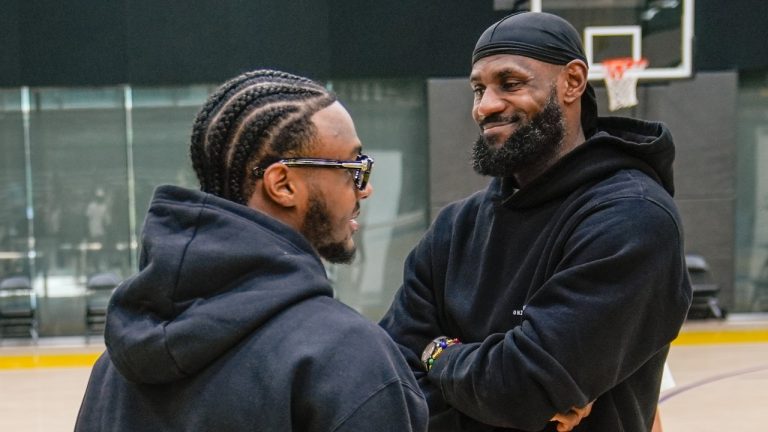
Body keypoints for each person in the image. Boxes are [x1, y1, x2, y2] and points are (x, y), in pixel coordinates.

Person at [379, 12, 692, 431]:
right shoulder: (454, 228)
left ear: (573, 82)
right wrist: (494, 385)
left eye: (510, 83)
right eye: (478, 89)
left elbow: (520, 386)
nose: (485, 106)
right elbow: (390, 376)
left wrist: (437, 353)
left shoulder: (633, 218)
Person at [75, 69, 428, 432]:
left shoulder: (115, 367)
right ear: (283, 184)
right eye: (351, 167)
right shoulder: (347, 358)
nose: (364, 189)